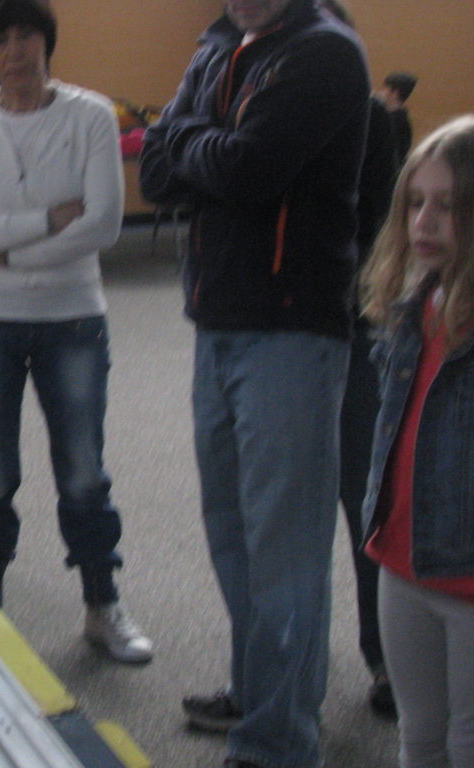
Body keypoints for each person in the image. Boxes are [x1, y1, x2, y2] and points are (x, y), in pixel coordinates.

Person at [139, 1, 369, 766]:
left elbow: (249, 169)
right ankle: (260, 688)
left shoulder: (324, 53)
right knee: (233, 533)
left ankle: (278, 739)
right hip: (216, 320)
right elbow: (158, 169)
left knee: (286, 547)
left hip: (291, 329)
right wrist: (208, 147)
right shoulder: (219, 46)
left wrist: (191, 140)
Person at [0, 0, 152, 664]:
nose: (16, 49)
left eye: (27, 35)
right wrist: (48, 220)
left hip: (71, 319)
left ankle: (101, 605)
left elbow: (104, 223)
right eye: (0, 40)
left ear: (45, 41)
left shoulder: (87, 115)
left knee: (83, 472)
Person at [360, 114, 474, 768]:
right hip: (400, 561)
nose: (425, 222)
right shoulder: (412, 309)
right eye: (415, 203)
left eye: (450, 208)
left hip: (466, 578)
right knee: (419, 734)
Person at [319, 0, 400, 718]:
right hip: (270, 332)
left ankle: (385, 658)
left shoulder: (375, 122)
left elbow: (373, 229)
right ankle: (280, 669)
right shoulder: (256, 104)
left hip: (352, 331)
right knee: (276, 509)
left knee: (363, 496)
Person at [381, 71, 418, 162]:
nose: (382, 93)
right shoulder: (402, 120)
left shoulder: (392, 122)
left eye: (385, 89)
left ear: (395, 93)